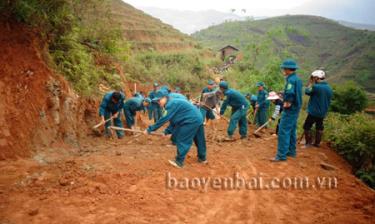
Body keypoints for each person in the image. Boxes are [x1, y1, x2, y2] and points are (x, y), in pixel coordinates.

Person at [145, 89, 207, 168]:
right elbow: (173, 120)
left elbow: (164, 119)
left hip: (190, 120)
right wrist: (166, 131)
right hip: (198, 118)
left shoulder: (170, 104)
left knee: (182, 139)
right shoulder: (172, 102)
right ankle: (202, 158)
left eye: (159, 100)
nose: (158, 102)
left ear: (165, 97)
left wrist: (149, 129)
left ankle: (179, 162)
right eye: (157, 100)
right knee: (199, 139)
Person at [272, 59, 303, 162]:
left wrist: (286, 103)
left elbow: (290, 93)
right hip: (296, 108)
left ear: (288, 69)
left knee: (283, 130)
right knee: (292, 130)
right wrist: (283, 93)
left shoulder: (290, 80)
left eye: (284, 68)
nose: (283, 70)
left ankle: (281, 155)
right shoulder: (297, 79)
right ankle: (291, 151)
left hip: (290, 109)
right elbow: (294, 92)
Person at [303, 70, 333, 147]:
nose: (313, 79)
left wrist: (310, 83)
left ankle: (308, 143)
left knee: (307, 126)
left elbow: (307, 91)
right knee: (319, 127)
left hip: (314, 111)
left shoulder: (316, 87)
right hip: (323, 112)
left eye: (313, 78)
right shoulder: (329, 88)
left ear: (317, 78)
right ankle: (317, 143)